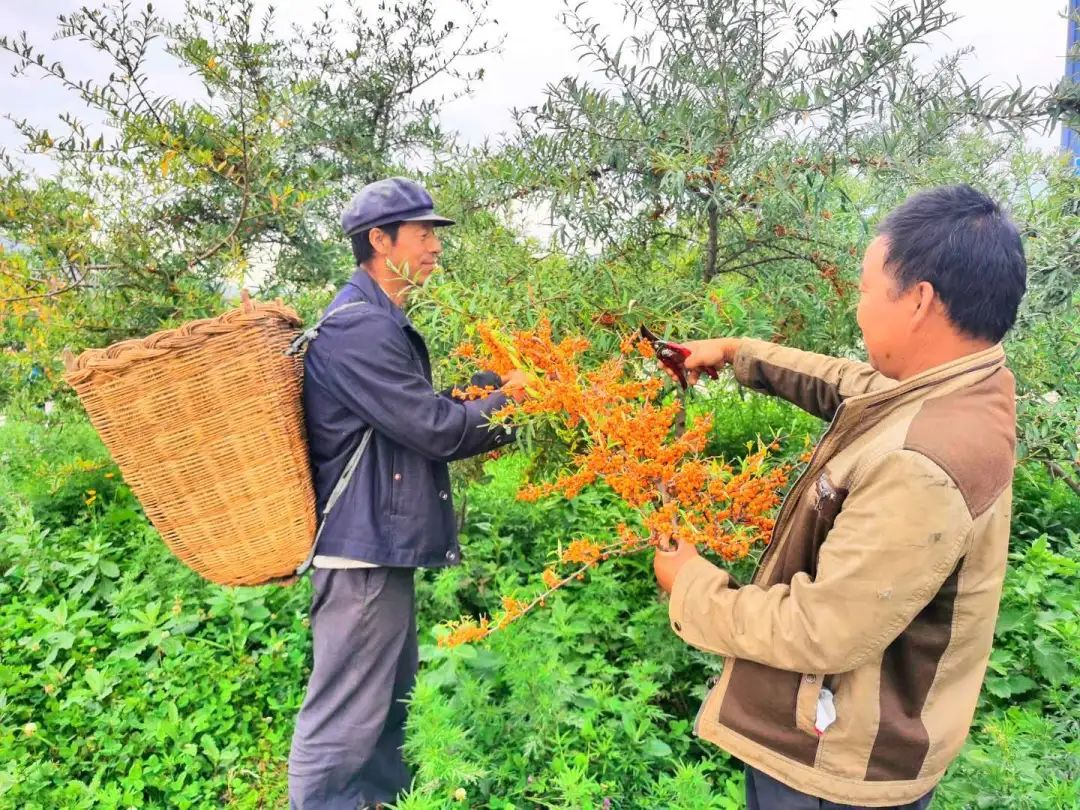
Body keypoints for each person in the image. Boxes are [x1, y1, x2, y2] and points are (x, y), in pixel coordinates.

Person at [653, 184, 1027, 809]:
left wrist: (691, 584)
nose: (858, 310)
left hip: (837, 764)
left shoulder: (922, 463)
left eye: (864, 290)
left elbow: (823, 630)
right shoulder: (966, 388)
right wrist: (737, 354)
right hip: (849, 745)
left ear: (918, 301)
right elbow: (852, 384)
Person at [288, 177, 527, 809]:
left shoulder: (380, 321)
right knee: (343, 718)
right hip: (360, 553)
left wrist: (483, 392)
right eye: (423, 234)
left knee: (386, 707)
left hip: (376, 550)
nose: (434, 247)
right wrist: (514, 401)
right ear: (379, 240)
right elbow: (434, 432)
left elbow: (414, 416)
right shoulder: (358, 329)